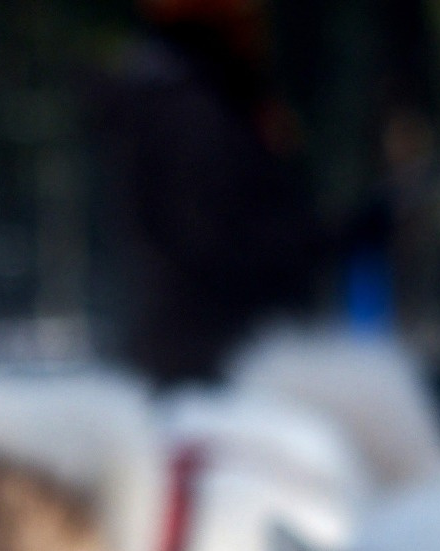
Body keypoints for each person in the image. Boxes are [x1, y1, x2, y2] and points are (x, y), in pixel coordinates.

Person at [95, 0, 335, 386]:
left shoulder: (187, 96)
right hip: (211, 363)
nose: (255, 25)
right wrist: (316, 242)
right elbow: (211, 241)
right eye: (243, 14)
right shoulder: (188, 111)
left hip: (199, 354)